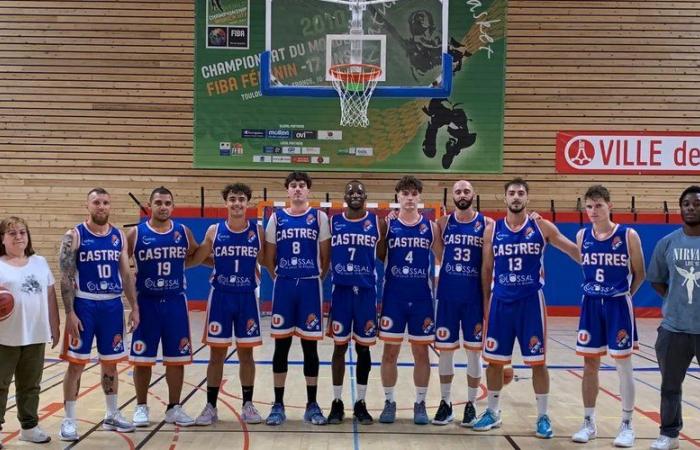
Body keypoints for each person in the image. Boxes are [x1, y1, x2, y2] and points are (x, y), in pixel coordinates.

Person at [474, 177, 579, 438]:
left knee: (538, 362)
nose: (516, 197)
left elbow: (572, 251)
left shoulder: (541, 226)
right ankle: (493, 411)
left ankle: (543, 416)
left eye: (521, 193)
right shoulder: (492, 229)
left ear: (527, 198)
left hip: (531, 302)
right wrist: (486, 302)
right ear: (505, 198)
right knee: (495, 362)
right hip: (500, 301)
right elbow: (487, 269)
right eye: (512, 193)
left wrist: (597, 258)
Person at [58, 188, 139, 441]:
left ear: (109, 206)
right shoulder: (75, 235)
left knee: (111, 363)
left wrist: (133, 306)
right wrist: (70, 313)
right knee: (76, 365)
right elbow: (66, 276)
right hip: (84, 305)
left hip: (112, 306)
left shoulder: (118, 236)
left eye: (105, 202)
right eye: (96, 202)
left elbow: (126, 275)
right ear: (87, 206)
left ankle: (112, 414)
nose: (101, 206)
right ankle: (69, 420)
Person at [571, 185, 645, 447]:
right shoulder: (582, 236)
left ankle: (627, 425)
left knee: (623, 365)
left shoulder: (628, 235)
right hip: (590, 305)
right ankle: (588, 422)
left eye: (598, 205)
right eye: (589, 206)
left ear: (609, 206)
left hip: (617, 305)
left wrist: (625, 296)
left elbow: (640, 273)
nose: (593, 211)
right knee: (589, 365)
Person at [190, 183, 264, 426]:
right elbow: (198, 257)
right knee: (216, 355)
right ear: (226, 203)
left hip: (247, 297)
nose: (237, 203)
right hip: (220, 297)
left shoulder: (258, 231)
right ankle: (211, 406)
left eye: (241, 199)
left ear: (247, 203)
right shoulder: (214, 230)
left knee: (246, 354)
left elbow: (266, 260)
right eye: (232, 199)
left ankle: (248, 404)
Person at [263, 172, 330, 426]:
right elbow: (269, 257)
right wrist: (280, 276)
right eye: (293, 186)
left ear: (308, 191)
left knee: (310, 347)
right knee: (281, 347)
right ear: (287, 191)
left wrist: (316, 278)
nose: (298, 190)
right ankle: (278, 404)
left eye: (302, 186)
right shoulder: (276, 218)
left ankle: (312, 404)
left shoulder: (319, 217)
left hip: (311, 286)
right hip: (284, 286)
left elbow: (326, 257)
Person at [127, 187, 198, 427]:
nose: (163, 206)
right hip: (146, 303)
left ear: (173, 206)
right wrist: (130, 304)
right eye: (158, 202)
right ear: (150, 205)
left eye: (168, 202)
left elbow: (197, 255)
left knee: (176, 359)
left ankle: (174, 407)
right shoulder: (135, 234)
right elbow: (120, 265)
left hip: (176, 302)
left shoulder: (183, 232)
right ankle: (141, 407)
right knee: (142, 359)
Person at [378, 175, 442, 425]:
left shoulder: (431, 227)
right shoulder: (388, 225)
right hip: (394, 296)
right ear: (398, 197)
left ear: (420, 198)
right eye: (405, 193)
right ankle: (389, 401)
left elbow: (442, 258)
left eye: (414, 194)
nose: (409, 198)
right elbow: (377, 255)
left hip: (421, 297)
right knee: (390, 353)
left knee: (421, 354)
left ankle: (420, 403)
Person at [432, 180, 492, 427]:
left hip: (473, 297)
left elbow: (488, 265)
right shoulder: (442, 224)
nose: (462, 194)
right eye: (458, 191)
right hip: (447, 295)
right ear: (452, 197)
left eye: (466, 191)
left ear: (473, 194)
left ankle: (470, 404)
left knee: (473, 353)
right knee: (445, 352)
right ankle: (445, 403)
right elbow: (439, 255)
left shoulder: (487, 224)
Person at [326, 180, 386, 425]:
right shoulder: (333, 222)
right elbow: (325, 254)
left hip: (365, 294)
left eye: (360, 191)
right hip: (340, 293)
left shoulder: (377, 223)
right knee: (339, 348)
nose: (355, 195)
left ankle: (360, 402)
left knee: (364, 349)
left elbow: (382, 255)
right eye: (350, 191)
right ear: (344, 196)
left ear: (366, 196)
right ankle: (337, 402)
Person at [647, 185, 700, 450]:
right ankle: (669, 434)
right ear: (680, 208)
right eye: (686, 204)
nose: (691, 208)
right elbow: (656, 279)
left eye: (696, 204)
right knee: (670, 386)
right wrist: (674, 299)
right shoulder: (667, 242)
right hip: (674, 328)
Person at [0, 217, 60, 445]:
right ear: (2, 239)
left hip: (35, 333)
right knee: (0, 384)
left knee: (31, 384)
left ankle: (29, 426)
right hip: (4, 336)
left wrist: (54, 325)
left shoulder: (40, 262)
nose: (18, 237)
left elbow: (50, 295)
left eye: (22, 232)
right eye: (12, 233)